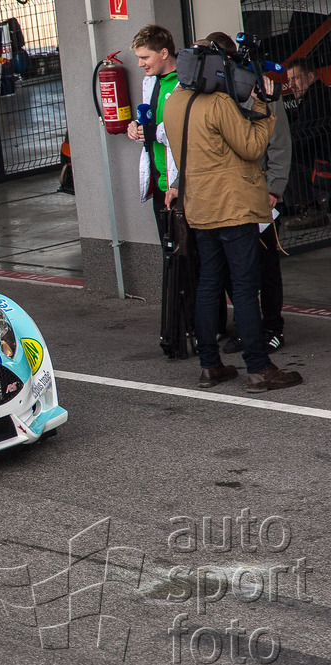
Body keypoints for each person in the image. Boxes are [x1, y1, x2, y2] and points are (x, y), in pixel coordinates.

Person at [164, 54, 303, 393]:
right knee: (244, 286)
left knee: (209, 282)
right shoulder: (219, 104)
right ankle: (258, 368)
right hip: (233, 205)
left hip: (200, 205)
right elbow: (252, 146)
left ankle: (210, 366)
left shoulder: (174, 102)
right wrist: (265, 106)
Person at [127, 24, 180, 242]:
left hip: (181, 184)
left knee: (187, 252)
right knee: (169, 250)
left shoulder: (185, 82)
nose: (140, 64)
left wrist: (153, 132)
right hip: (159, 183)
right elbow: (150, 119)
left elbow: (187, 129)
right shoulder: (150, 81)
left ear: (164, 53)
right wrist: (136, 126)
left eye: (145, 57)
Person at [282, 57, 331, 211]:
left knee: (286, 160)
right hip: (319, 159)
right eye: (289, 80)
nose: (291, 85)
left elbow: (302, 136)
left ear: (310, 76)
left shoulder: (317, 98)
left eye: (295, 78)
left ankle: (308, 210)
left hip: (323, 163)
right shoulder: (314, 96)